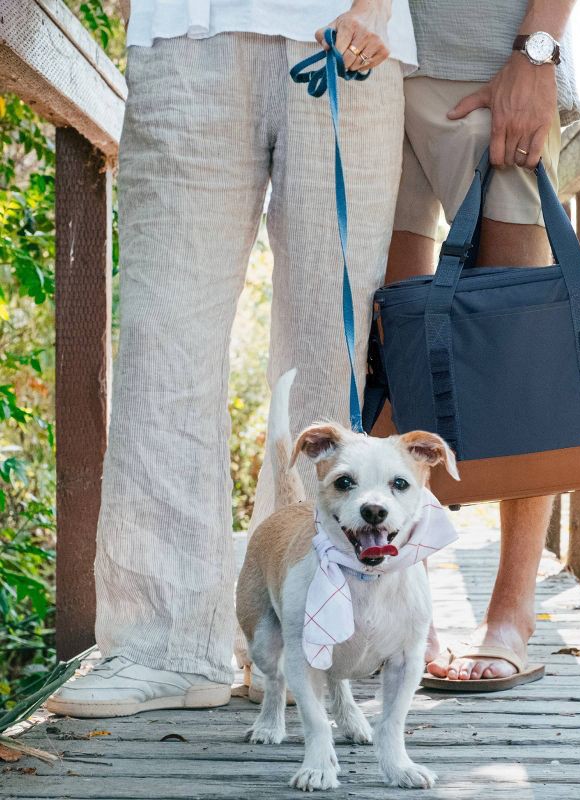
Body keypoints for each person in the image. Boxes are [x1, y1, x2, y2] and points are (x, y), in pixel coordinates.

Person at [47, 0, 415, 718]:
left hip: (349, 42)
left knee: (328, 360)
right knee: (164, 344)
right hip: (186, 36)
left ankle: (302, 635)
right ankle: (163, 646)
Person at [386, 0, 580, 686]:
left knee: (519, 348)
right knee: (389, 354)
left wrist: (536, 51)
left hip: (489, 57)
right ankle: (404, 608)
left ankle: (511, 612)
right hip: (369, 68)